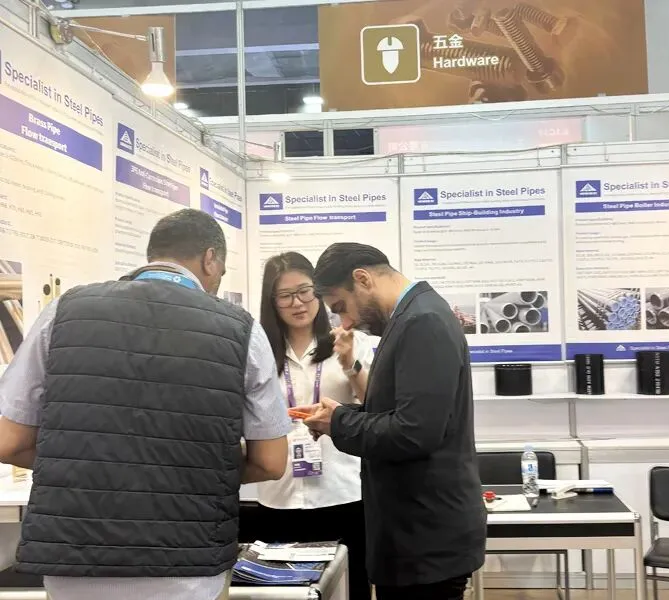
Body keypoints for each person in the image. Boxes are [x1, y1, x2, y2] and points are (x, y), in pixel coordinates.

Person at [0, 209, 292, 600]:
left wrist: (91, 466)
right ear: (210, 259)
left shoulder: (64, 311)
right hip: (188, 563)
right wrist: (194, 472)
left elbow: (9, 442)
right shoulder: (240, 329)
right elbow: (271, 462)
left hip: (73, 559)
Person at [299, 243, 487, 600]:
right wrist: (340, 415)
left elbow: (414, 433)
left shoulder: (423, 321)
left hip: (426, 538)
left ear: (362, 279)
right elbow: (399, 415)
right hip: (415, 534)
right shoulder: (410, 318)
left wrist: (340, 423)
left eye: (341, 307)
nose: (346, 323)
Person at [254, 252, 372, 600]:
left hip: (342, 490)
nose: (298, 303)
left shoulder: (350, 341)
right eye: (285, 295)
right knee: (283, 594)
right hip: (279, 495)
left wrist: (350, 363)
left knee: (349, 590)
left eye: (305, 291)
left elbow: (374, 405)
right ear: (272, 301)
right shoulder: (258, 351)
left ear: (318, 292)